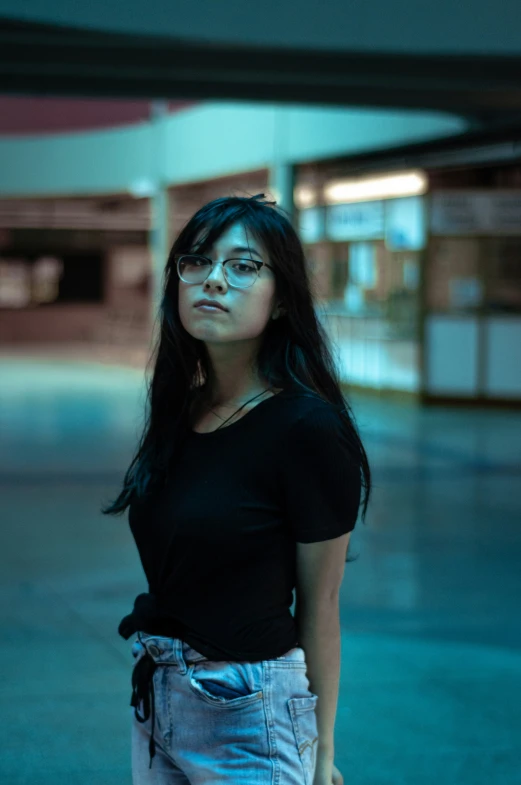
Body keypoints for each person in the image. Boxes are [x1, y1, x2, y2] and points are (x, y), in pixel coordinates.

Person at [102, 193, 371, 784]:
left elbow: (320, 605)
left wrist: (320, 751)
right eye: (196, 262)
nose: (213, 281)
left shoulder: (307, 428)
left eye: (243, 266)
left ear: (281, 303)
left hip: (251, 713)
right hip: (157, 698)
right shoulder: (184, 410)